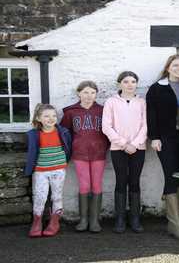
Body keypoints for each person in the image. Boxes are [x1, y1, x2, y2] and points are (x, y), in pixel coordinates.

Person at [146, 54, 179, 240]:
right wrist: (154, 137)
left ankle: (178, 218)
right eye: (175, 65)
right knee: (171, 176)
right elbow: (151, 114)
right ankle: (173, 224)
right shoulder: (157, 88)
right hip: (165, 139)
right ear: (168, 67)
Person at [60, 81, 109, 233]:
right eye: (86, 92)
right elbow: (64, 133)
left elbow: (109, 130)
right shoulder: (71, 112)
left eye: (92, 93)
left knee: (97, 185)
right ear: (79, 93)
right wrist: (69, 149)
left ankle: (94, 221)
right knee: (84, 185)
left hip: (99, 153)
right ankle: (83, 220)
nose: (89, 96)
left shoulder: (103, 110)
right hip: (79, 153)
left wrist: (105, 146)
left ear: (96, 94)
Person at [102, 71, 147, 233]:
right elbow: (106, 126)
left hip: (138, 148)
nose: (130, 84)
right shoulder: (111, 102)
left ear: (137, 84)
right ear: (119, 84)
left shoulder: (141, 102)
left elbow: (145, 126)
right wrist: (123, 144)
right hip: (118, 148)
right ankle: (120, 219)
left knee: (134, 181)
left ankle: (135, 218)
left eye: (133, 81)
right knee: (121, 181)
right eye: (126, 81)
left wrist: (134, 144)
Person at [25, 104, 72, 237]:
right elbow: (32, 153)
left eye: (53, 116)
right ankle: (37, 221)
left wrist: (62, 163)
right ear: (39, 118)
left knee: (56, 196)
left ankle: (54, 222)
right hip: (41, 171)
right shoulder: (33, 135)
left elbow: (68, 149)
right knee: (40, 196)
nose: (51, 119)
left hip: (58, 170)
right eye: (46, 116)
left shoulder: (63, 132)